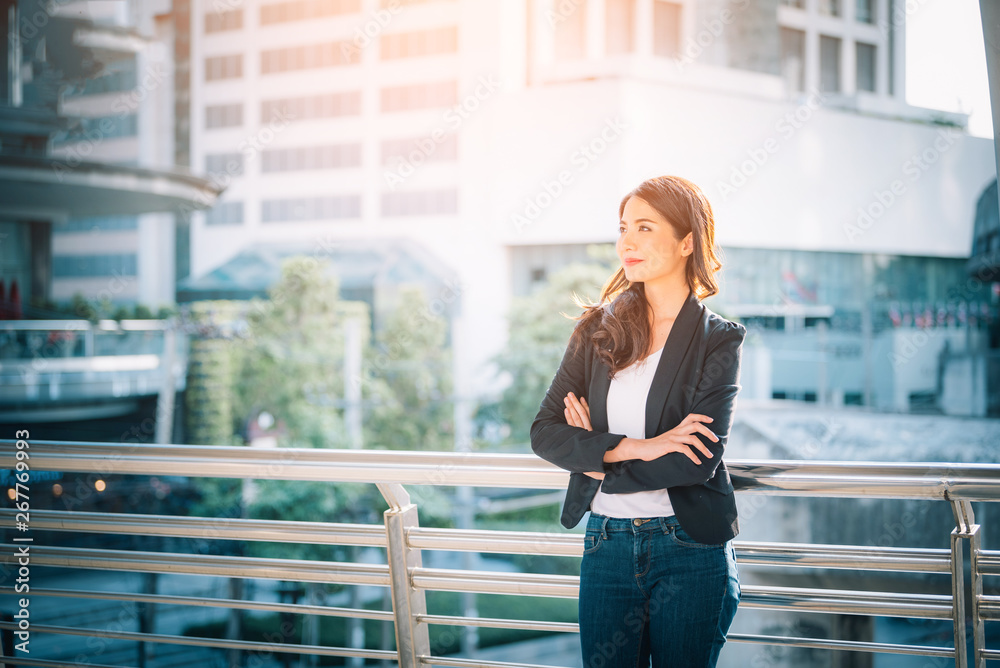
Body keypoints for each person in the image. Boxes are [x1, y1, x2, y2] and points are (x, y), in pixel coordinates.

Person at [530, 175, 747, 668]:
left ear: (687, 241)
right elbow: (545, 431)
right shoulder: (597, 330)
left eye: (645, 227)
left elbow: (696, 461)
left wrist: (595, 457)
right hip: (606, 544)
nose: (627, 241)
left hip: (689, 549)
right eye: (623, 226)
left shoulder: (718, 339)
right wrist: (637, 446)